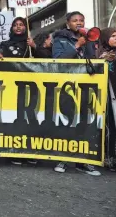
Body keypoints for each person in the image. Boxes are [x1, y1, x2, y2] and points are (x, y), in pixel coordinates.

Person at [52, 11, 101, 176]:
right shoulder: (60, 39)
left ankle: (82, 161)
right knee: (67, 122)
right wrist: (77, 46)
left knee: (84, 123)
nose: (79, 23)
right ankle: (62, 159)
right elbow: (58, 60)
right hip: (67, 86)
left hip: (86, 86)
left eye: (81, 20)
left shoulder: (90, 38)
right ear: (68, 23)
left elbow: (92, 60)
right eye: (75, 21)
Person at [0, 17, 37, 166]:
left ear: (26, 27)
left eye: (21, 25)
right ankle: (15, 151)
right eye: (15, 25)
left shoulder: (30, 44)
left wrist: (35, 46)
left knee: (29, 116)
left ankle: (30, 151)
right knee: (15, 116)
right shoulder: (5, 44)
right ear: (11, 28)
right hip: (12, 86)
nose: (18, 27)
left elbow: (45, 58)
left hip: (30, 85)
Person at [98, 28, 116, 172]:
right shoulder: (99, 52)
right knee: (110, 125)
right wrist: (102, 60)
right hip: (108, 97)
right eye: (113, 36)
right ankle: (109, 157)